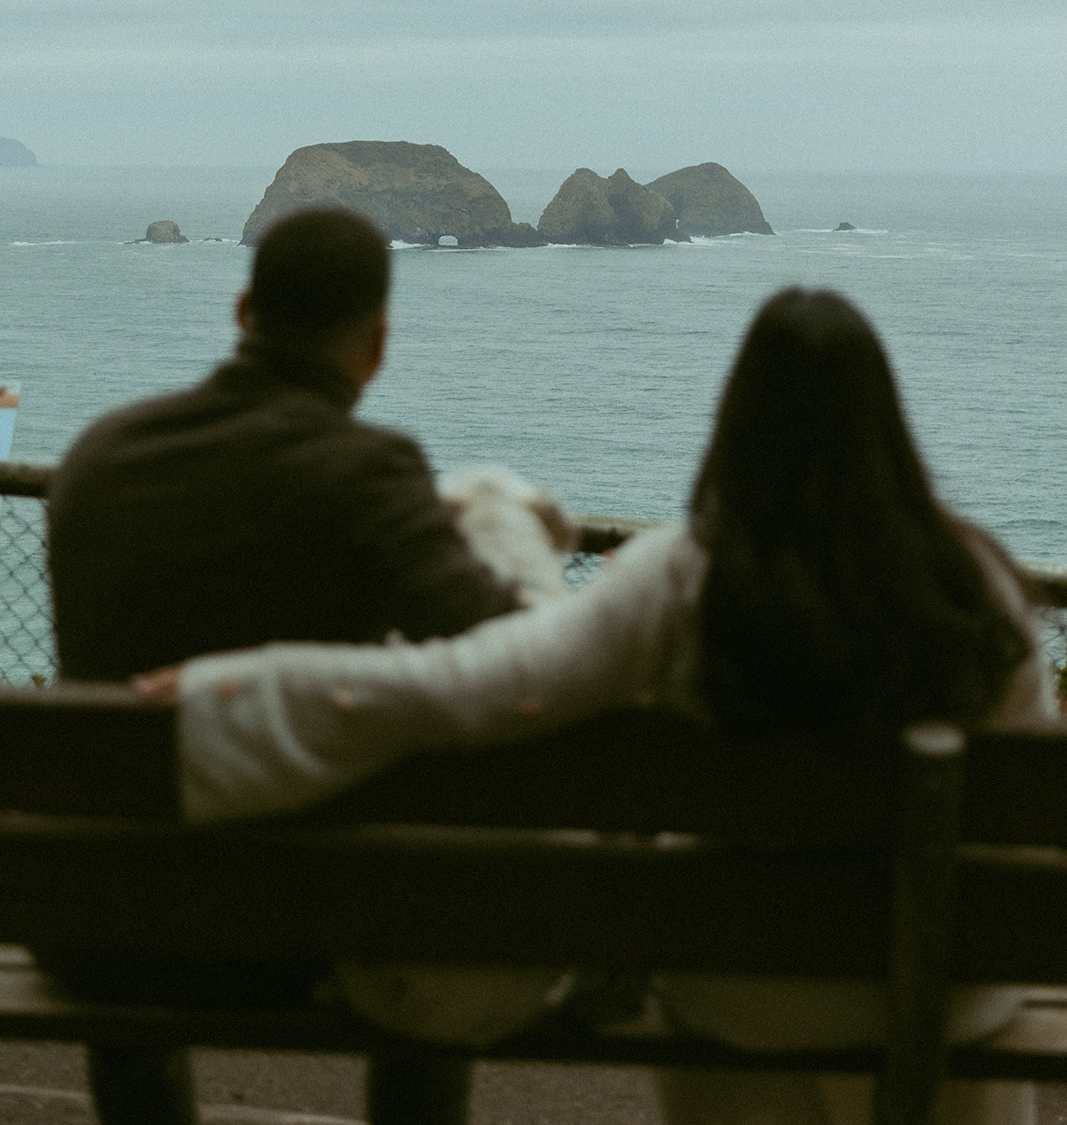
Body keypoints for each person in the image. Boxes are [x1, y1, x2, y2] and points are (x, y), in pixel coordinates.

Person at [140, 288, 1055, 1125]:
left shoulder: (686, 579)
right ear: (885, 423)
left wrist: (242, 688)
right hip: (944, 1004)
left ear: (737, 419)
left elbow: (477, 685)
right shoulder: (974, 581)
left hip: (744, 998)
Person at [48, 205, 522, 1125]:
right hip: (309, 928)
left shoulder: (98, 459)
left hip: (98, 926)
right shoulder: (369, 475)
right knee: (431, 948)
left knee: (137, 876)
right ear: (377, 342)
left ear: (242, 311)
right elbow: (508, 654)